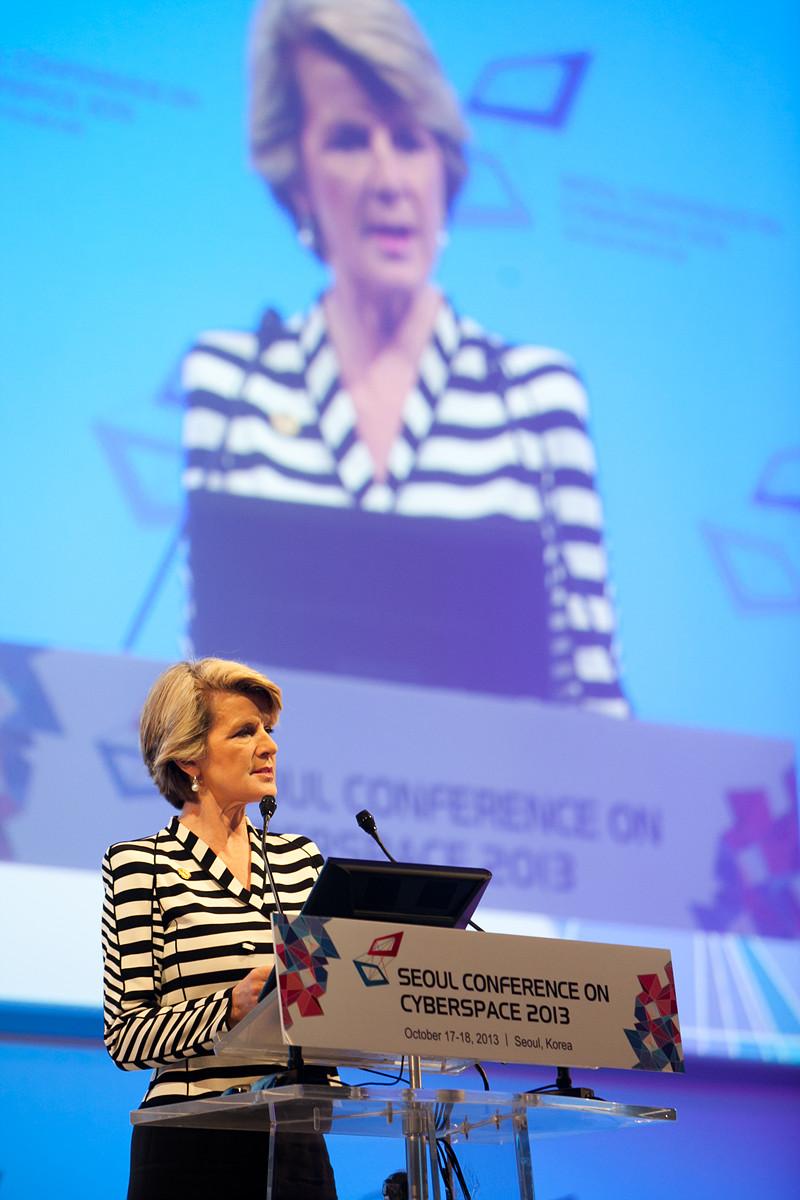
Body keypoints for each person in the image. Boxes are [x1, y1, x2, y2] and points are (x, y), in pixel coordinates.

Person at [182, 0, 627, 716]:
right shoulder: (232, 387)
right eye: (352, 140)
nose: (389, 179)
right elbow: (201, 699)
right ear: (298, 179)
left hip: (496, 819)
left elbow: (594, 699)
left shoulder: (535, 399)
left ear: (444, 167)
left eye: (411, 141)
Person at [101, 657, 337, 1199]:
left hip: (295, 1139)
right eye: (245, 732)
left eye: (269, 731)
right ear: (189, 759)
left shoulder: (301, 860)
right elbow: (126, 1037)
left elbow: (325, 999)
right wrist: (230, 1005)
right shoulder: (141, 865)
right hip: (190, 1141)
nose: (269, 746)